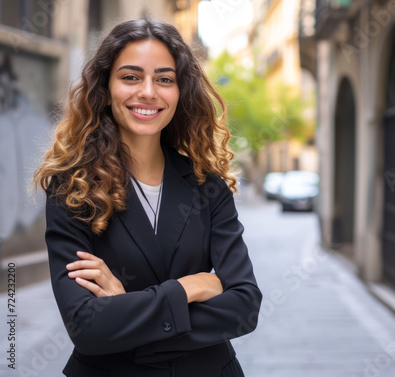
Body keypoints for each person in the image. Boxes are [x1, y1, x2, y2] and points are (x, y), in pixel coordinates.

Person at [33, 16, 262, 377]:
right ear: (106, 88)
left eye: (165, 79)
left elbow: (244, 306)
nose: (148, 92)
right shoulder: (72, 189)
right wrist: (190, 287)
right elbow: (87, 328)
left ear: (180, 92)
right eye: (130, 77)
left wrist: (125, 311)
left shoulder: (208, 185)